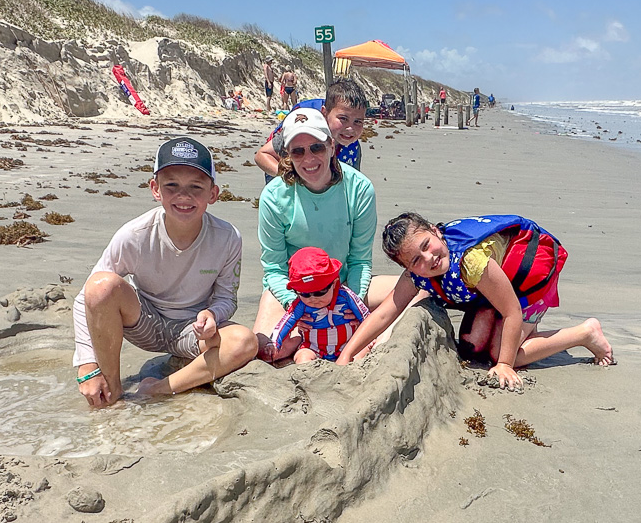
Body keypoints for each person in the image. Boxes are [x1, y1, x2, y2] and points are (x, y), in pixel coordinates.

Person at [72, 137, 258, 407]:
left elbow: (226, 298)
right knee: (100, 286)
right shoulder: (134, 235)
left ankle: (156, 389)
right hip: (144, 323)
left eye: (196, 187)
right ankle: (112, 391)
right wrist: (87, 363)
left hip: (193, 330)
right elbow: (85, 299)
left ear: (213, 194)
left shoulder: (228, 237)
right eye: (172, 185)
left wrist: (212, 315)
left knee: (245, 342)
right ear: (155, 189)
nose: (184, 196)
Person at [336, 213, 615, 390]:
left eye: (426, 245)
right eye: (416, 260)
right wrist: (346, 355)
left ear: (435, 231)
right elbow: (384, 313)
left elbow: (512, 311)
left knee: (503, 354)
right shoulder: (415, 276)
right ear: (407, 268)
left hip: (528, 276)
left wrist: (504, 364)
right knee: (472, 346)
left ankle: (585, 333)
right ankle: (520, 338)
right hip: (495, 282)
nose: (429, 259)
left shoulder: (471, 262)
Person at [253, 108, 396, 362]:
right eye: (298, 151)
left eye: (316, 147)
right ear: (288, 155)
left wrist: (350, 301)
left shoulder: (360, 188)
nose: (308, 158)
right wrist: (299, 306)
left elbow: (360, 260)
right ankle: (308, 341)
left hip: (344, 285)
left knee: (415, 291)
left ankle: (364, 339)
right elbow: (274, 269)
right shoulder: (273, 197)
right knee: (267, 352)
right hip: (294, 291)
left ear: (331, 146)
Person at [254, 77, 367, 184]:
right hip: (283, 173)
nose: (350, 129)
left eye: (358, 121)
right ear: (324, 113)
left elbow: (352, 182)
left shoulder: (353, 148)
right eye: (343, 119)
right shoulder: (303, 133)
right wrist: (288, 178)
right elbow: (262, 155)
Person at [271, 247, 371, 364]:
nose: (313, 299)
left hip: (347, 344)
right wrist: (274, 343)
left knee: (363, 351)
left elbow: (364, 314)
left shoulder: (346, 296)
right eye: (305, 294)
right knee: (303, 356)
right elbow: (286, 322)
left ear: (334, 283)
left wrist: (371, 337)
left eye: (320, 292)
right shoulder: (300, 304)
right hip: (313, 347)